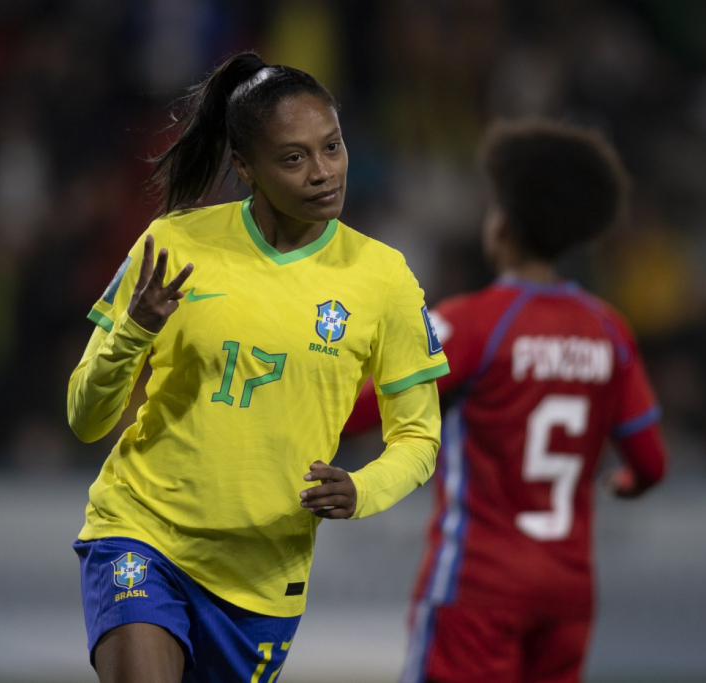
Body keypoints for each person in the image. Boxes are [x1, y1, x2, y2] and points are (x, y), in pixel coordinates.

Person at [67, 52, 449, 683]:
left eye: (332, 147)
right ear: (244, 167)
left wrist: (361, 490)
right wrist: (134, 332)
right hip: (142, 532)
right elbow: (85, 418)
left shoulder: (384, 278)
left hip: (262, 580)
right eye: (294, 158)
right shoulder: (173, 245)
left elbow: (419, 439)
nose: (324, 172)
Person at [343, 119, 669, 683]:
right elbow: (651, 462)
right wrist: (625, 484)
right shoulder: (608, 330)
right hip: (567, 595)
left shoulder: (474, 323)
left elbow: (361, 412)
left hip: (478, 588)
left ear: (503, 228)